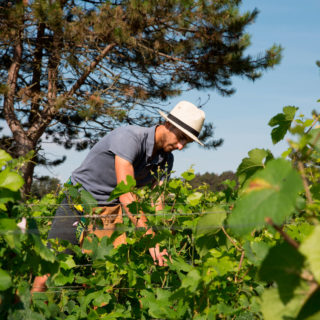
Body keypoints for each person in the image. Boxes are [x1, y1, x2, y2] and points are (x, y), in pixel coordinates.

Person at [32, 100, 205, 292]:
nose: (181, 146)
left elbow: (158, 201)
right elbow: (126, 193)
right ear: (168, 124)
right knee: (48, 273)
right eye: (180, 137)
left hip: (110, 211)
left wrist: (165, 235)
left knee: (105, 281)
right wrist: (150, 239)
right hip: (79, 202)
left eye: (186, 143)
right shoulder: (129, 137)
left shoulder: (166, 160)